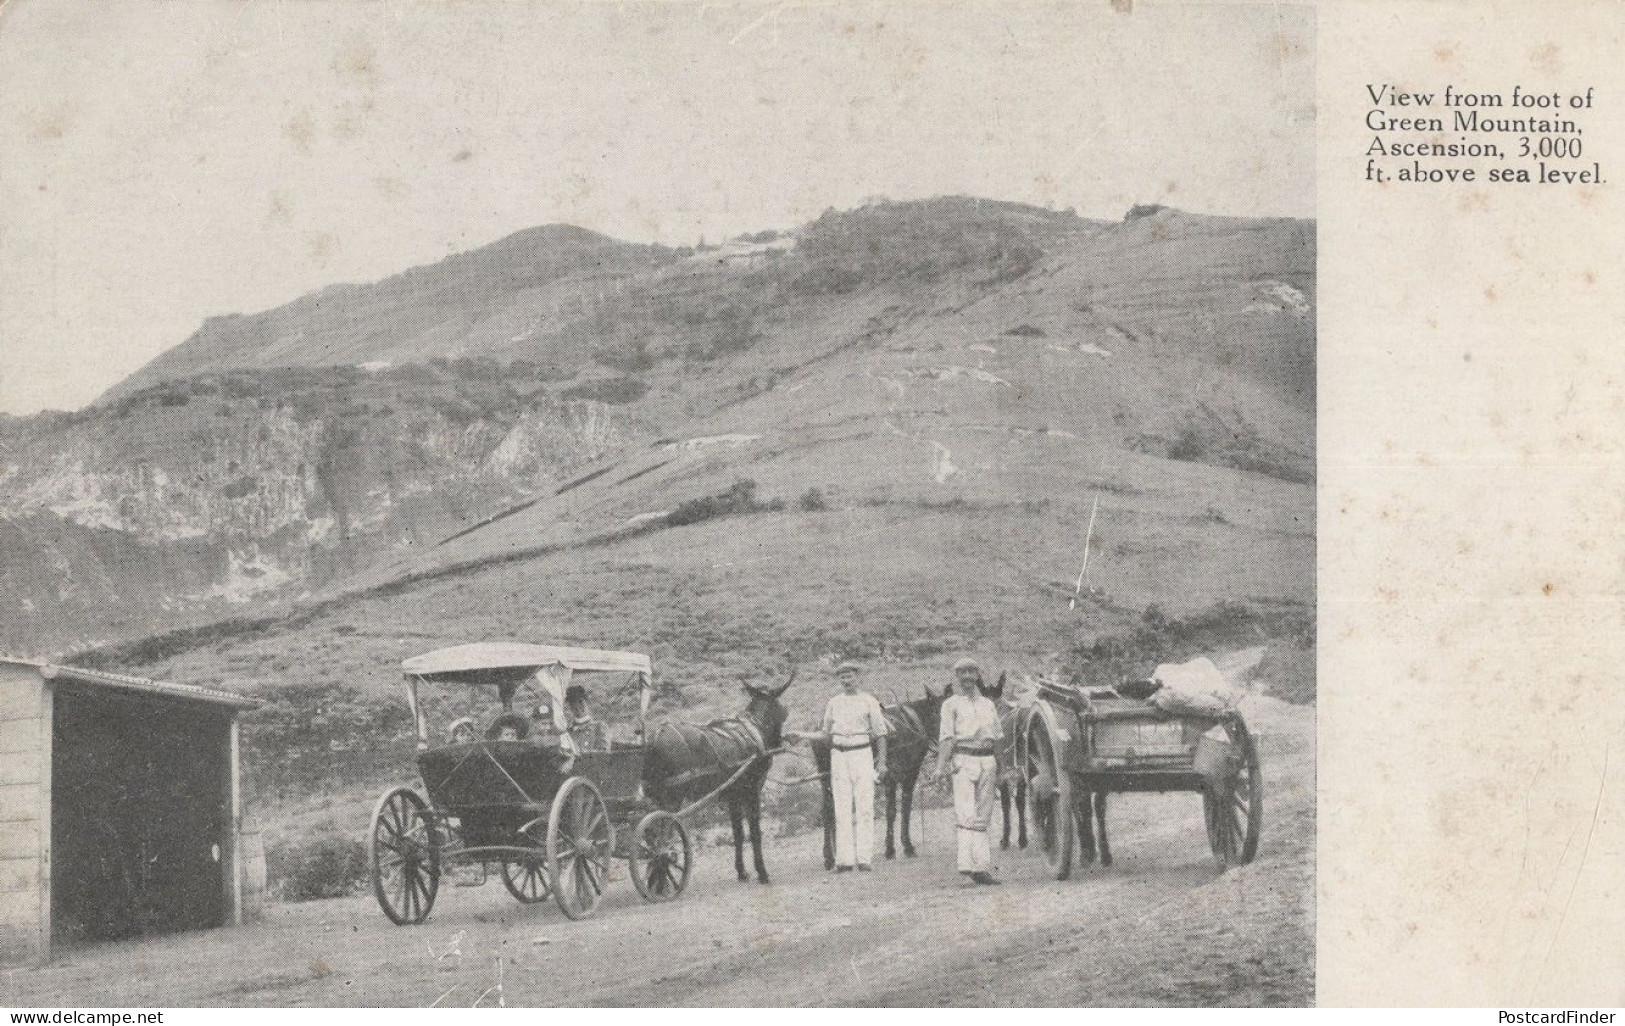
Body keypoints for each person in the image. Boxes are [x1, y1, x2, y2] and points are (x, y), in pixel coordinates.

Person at [811, 662, 890, 872]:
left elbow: (881, 734)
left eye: (850, 677)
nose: (846, 681)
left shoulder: (869, 701)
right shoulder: (834, 703)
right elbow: (825, 733)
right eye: (842, 677)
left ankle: (864, 858)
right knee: (841, 808)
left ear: (857, 677)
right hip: (838, 756)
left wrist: (881, 762)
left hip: (862, 754)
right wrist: (800, 736)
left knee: (864, 807)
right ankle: (844, 861)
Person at [932, 656, 1002, 885]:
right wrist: (941, 766)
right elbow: (947, 738)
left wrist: (1003, 766)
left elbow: (998, 737)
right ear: (957, 677)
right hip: (963, 760)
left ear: (978, 675)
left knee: (983, 814)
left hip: (987, 761)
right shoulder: (950, 705)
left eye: (971, 672)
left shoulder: (988, 704)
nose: (967, 677)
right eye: (962, 673)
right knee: (965, 813)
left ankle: (981, 868)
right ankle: (965, 866)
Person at [564, 684, 609, 751]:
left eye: (580, 702)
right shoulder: (568, 731)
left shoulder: (599, 727)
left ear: (587, 703)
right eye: (572, 703)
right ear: (570, 706)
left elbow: (603, 753)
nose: (577, 706)